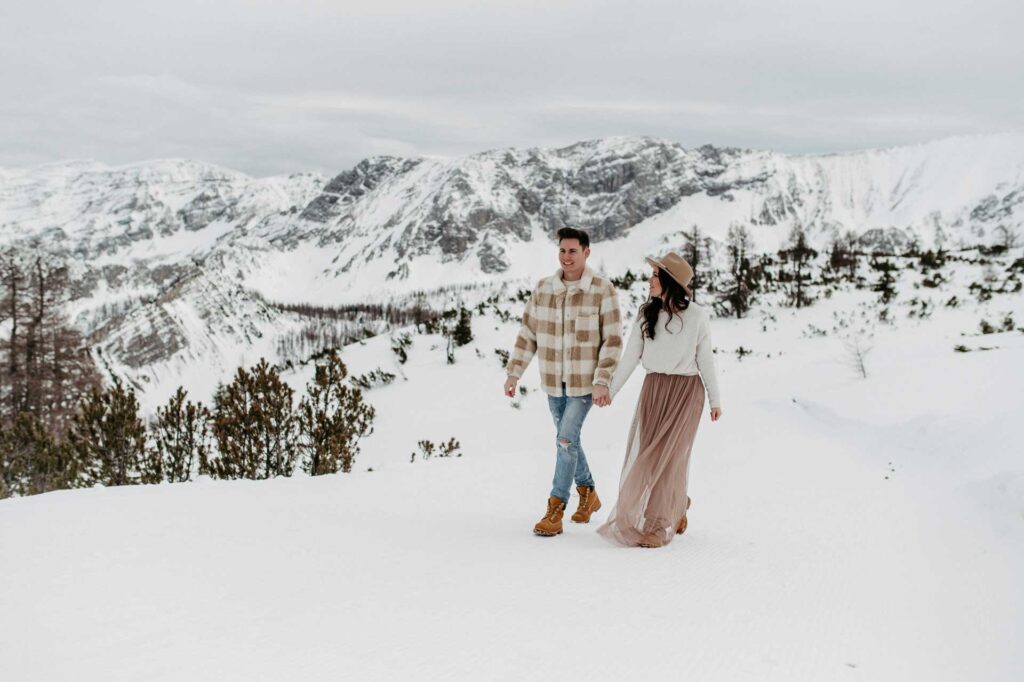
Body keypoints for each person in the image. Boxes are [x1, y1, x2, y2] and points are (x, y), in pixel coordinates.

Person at [597, 251, 722, 548]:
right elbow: (631, 357)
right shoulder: (646, 313)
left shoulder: (696, 317)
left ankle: (657, 524)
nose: (649, 280)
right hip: (654, 390)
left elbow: (706, 360)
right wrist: (610, 390)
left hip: (687, 393)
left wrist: (715, 401)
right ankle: (677, 503)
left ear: (670, 281)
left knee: (670, 459)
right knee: (649, 458)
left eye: (655, 275)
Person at [504, 227, 623, 537]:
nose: (567, 257)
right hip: (554, 384)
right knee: (567, 439)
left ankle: (556, 507)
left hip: (585, 385)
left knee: (565, 440)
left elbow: (612, 340)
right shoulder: (544, 289)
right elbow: (528, 333)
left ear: (586, 252)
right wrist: (514, 372)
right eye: (562, 251)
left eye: (573, 251)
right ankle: (588, 492)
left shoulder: (602, 289)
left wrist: (603, 380)